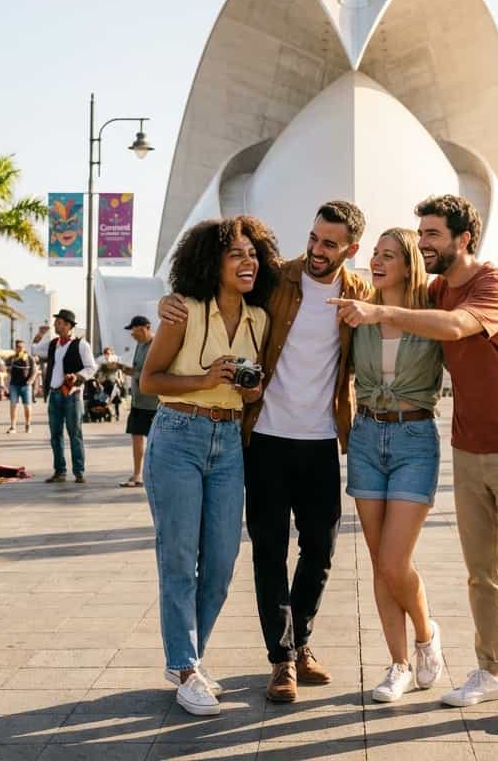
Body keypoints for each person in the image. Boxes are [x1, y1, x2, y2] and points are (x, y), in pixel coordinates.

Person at [331, 195, 498, 732]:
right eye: (421, 234)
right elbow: (398, 289)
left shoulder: (493, 284)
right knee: (482, 571)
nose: (424, 242)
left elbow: (454, 327)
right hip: (468, 444)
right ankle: (491, 670)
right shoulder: (433, 287)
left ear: (463, 239)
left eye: (432, 234)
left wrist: (380, 310)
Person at [157, 200, 371, 705]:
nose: (317, 250)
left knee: (320, 548)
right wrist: (167, 299)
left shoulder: (360, 292)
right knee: (269, 551)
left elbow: (408, 297)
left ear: (351, 250)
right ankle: (281, 660)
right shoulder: (279, 278)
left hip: (322, 440)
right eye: (314, 238)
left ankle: (301, 643)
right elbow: (217, 278)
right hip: (265, 439)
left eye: (329, 244)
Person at [140, 216, 276, 717]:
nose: (248, 262)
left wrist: (249, 387)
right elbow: (149, 381)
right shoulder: (184, 312)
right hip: (179, 434)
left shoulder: (259, 319)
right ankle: (186, 666)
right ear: (212, 262)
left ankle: (187, 660)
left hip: (229, 439)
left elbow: (255, 388)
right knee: (178, 558)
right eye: (236, 254)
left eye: (253, 254)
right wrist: (204, 377)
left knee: (220, 563)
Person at [346, 228, 445, 703]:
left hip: (414, 437)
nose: (378, 261)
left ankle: (426, 636)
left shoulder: (431, 315)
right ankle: (399, 664)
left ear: (408, 264)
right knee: (378, 563)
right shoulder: (356, 313)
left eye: (389, 255)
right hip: (366, 436)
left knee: (393, 560)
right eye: (375, 254)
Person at [36, 309, 96, 483]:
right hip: (54, 394)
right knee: (55, 435)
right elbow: (34, 349)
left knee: (74, 433)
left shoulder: (81, 344)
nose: (55, 325)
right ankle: (59, 471)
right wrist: (40, 334)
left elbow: (91, 368)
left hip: (72, 394)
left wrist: (76, 377)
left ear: (68, 326)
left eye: (59, 322)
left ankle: (79, 472)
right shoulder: (53, 343)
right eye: (56, 322)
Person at [120, 316, 159, 488]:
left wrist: (135, 372)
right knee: (136, 436)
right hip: (138, 401)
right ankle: (137, 474)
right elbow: (139, 371)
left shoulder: (157, 344)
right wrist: (125, 370)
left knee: (155, 442)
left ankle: (155, 474)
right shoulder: (140, 345)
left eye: (134, 330)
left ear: (145, 328)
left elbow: (154, 371)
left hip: (153, 402)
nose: (132, 334)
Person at [6, 339, 37, 434]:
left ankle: (28, 425)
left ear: (24, 348)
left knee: (27, 406)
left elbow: (34, 371)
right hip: (14, 385)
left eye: (21, 347)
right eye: (18, 347)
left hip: (26, 385)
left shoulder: (29, 358)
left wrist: (31, 380)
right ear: (15, 348)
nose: (19, 348)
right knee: (13, 405)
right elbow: (6, 370)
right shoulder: (11, 358)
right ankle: (13, 426)